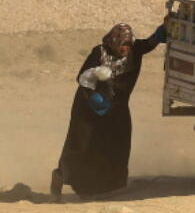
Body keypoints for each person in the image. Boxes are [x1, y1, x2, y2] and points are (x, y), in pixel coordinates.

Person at [51, 21, 167, 200]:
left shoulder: (136, 49)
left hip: (118, 107)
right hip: (89, 106)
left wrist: (164, 29)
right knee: (81, 145)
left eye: (128, 45)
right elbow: (83, 77)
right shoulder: (99, 52)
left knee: (116, 145)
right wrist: (95, 93)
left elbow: (152, 42)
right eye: (122, 45)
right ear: (113, 42)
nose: (125, 49)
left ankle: (103, 188)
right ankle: (60, 177)